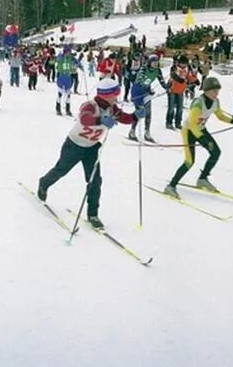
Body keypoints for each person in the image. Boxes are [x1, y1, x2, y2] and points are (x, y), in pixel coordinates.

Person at [36, 78, 143, 230]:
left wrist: (135, 116)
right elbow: (85, 119)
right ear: (107, 95)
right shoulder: (90, 105)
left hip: (92, 148)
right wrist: (101, 119)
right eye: (115, 94)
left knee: (95, 181)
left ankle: (93, 214)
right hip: (74, 145)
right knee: (61, 170)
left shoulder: (113, 108)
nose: (117, 98)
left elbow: (124, 118)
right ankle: (44, 183)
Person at [163, 77, 233, 198]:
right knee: (189, 161)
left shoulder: (215, 101)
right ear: (206, 91)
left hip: (200, 130)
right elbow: (192, 124)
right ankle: (171, 186)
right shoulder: (198, 103)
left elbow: (220, 116)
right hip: (189, 131)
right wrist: (203, 139)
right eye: (214, 91)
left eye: (217, 90)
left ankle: (203, 178)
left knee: (216, 152)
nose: (216, 93)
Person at [128, 54, 168, 142]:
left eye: (157, 63)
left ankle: (147, 132)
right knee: (140, 111)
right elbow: (140, 80)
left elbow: (162, 81)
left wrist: (167, 88)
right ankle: (132, 131)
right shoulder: (143, 69)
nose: (155, 64)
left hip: (146, 92)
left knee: (148, 112)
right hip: (137, 91)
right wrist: (147, 90)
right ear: (150, 62)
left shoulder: (158, 71)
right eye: (154, 62)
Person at [165, 56, 189, 129]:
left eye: (185, 63)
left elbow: (188, 77)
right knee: (171, 108)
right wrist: (179, 80)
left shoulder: (187, 69)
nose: (184, 65)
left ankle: (178, 123)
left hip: (180, 91)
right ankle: (169, 122)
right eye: (182, 63)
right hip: (172, 89)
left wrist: (194, 81)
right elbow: (173, 75)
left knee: (180, 108)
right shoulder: (174, 67)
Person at [55, 45, 79, 116]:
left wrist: (79, 65)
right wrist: (60, 56)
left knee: (68, 95)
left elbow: (77, 62)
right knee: (60, 94)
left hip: (68, 77)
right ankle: (58, 108)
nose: (68, 53)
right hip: (61, 77)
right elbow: (58, 59)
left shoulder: (71, 58)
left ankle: (68, 109)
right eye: (67, 52)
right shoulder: (61, 57)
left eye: (69, 52)